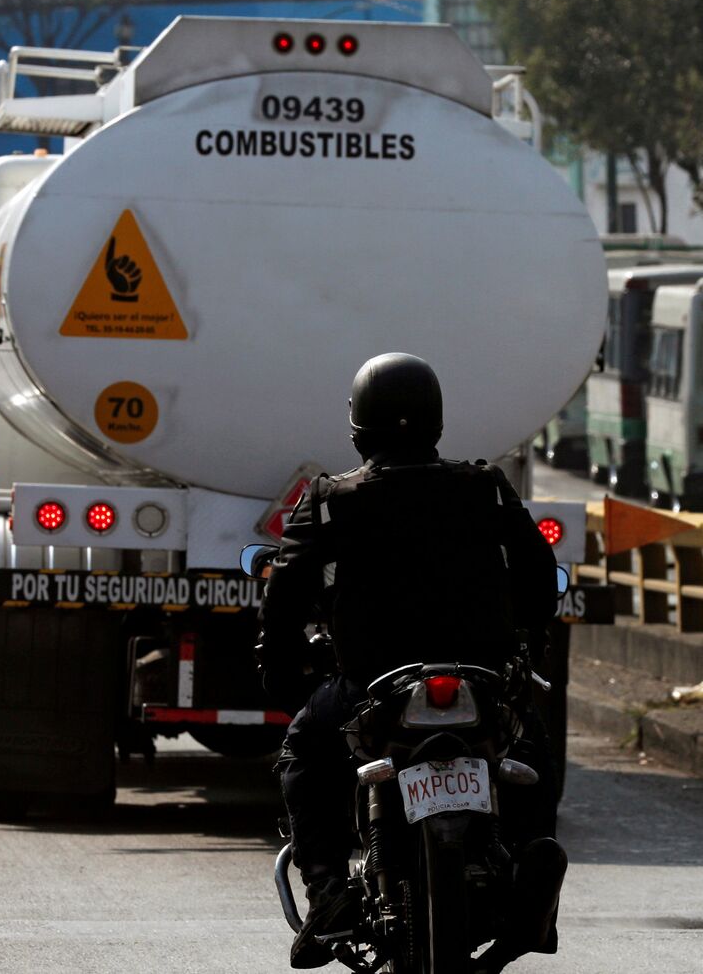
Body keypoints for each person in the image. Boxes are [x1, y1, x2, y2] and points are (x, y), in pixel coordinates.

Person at [256, 352, 563, 971]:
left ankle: (328, 893)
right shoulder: (484, 486)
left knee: (304, 753)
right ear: (436, 421)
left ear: (358, 426)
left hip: (371, 686)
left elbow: (285, 593)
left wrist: (281, 671)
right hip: (481, 682)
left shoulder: (332, 499)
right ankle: (530, 870)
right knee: (531, 754)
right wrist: (529, 638)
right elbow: (538, 574)